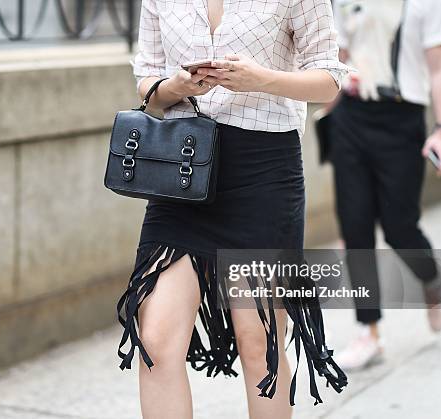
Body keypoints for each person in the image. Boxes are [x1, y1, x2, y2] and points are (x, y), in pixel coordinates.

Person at [114, 1, 349, 417]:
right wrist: (179, 86)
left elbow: (329, 79)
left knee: (259, 344)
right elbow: (147, 82)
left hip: (263, 176)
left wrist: (262, 79)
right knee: (154, 339)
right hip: (184, 173)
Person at [329, 0, 441, 371]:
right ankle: (368, 331)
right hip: (351, 117)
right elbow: (340, 54)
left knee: (400, 228)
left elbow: (440, 66)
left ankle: (431, 280)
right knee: (355, 227)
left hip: (402, 118)